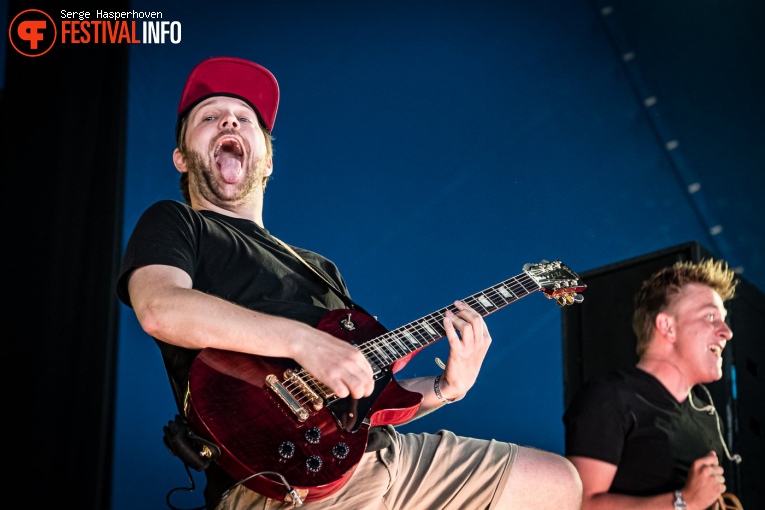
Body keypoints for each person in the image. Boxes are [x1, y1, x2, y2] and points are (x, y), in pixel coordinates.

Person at [116, 56, 582, 510]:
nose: (230, 124)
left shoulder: (319, 267)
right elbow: (161, 307)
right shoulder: (177, 223)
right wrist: (304, 343)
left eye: (244, 119)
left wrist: (445, 388)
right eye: (210, 117)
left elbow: (362, 398)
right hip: (279, 483)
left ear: (269, 161)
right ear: (181, 157)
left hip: (378, 455)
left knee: (557, 483)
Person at [563, 258, 741, 510]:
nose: (726, 331)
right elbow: (580, 504)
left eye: (723, 319)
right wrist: (684, 501)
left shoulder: (708, 418)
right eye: (710, 316)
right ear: (667, 327)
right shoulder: (610, 396)